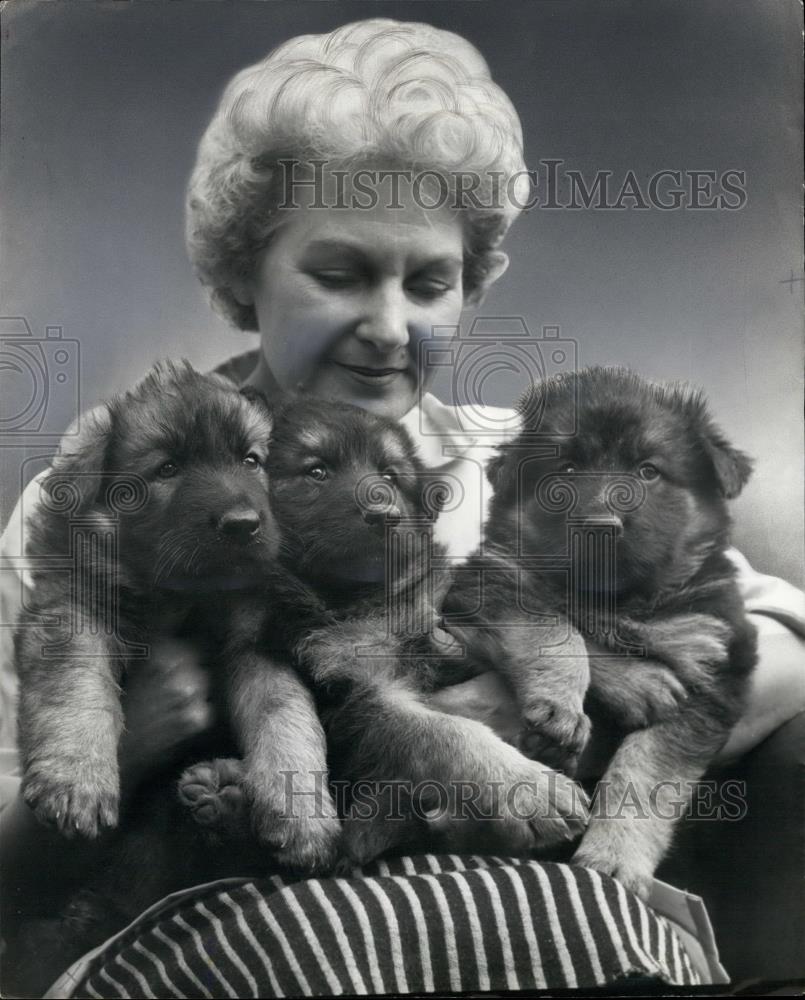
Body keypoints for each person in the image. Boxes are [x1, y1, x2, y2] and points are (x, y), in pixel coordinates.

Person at [2, 17, 804, 994]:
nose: (390, 327)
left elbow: (767, 637)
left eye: (430, 282)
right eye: (337, 274)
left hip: (534, 935)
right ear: (243, 274)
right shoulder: (111, 488)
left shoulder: (518, 465)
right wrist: (129, 751)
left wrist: (524, 707)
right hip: (235, 937)